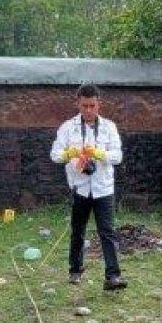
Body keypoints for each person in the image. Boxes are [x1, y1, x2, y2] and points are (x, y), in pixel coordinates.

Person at [50, 84, 127, 291]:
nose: (88, 110)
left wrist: (101, 154)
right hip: (80, 187)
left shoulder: (109, 127)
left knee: (107, 232)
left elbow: (118, 156)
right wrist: (69, 153)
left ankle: (113, 276)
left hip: (103, 188)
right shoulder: (67, 127)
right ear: (78, 103)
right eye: (84, 106)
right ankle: (75, 270)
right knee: (78, 231)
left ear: (99, 104)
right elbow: (55, 155)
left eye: (92, 105)